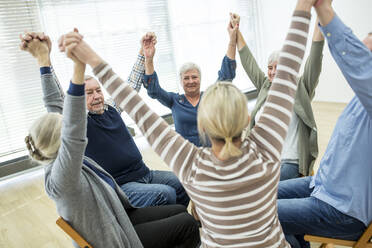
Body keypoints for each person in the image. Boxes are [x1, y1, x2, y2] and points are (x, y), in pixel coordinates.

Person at [62, 0, 316, 246]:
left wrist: (88, 58)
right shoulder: (267, 152)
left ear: (203, 125)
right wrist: (304, 6)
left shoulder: (192, 165)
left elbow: (138, 110)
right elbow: (288, 71)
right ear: (248, 120)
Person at [22, 37, 200, 248]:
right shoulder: (67, 162)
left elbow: (129, 86)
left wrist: (143, 54)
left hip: (141, 178)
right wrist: (55, 63)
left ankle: (169, 234)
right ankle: (171, 232)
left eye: (98, 90)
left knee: (182, 187)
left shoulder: (109, 109)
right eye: (89, 93)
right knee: (168, 197)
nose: (96, 96)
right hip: (121, 207)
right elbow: (60, 104)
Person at [277, 0, 372, 247]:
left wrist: (323, 9)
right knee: (260, 196)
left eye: (367, 56)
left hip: (342, 212)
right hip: (321, 186)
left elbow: (354, 60)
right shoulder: (359, 101)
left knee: (260, 212)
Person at [236, 14, 325, 181]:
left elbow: (315, 58)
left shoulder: (300, 87)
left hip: (289, 162)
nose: (273, 72)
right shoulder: (265, 86)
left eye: (279, 67)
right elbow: (249, 62)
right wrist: (236, 32)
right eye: (270, 68)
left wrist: (322, 17)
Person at [141, 19, 238, 147]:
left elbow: (226, 76)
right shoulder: (174, 100)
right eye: (186, 78)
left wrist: (232, 40)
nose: (191, 81)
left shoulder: (209, 97)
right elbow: (154, 90)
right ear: (181, 81)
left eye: (194, 77)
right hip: (186, 156)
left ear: (200, 79)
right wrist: (149, 59)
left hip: (212, 154)